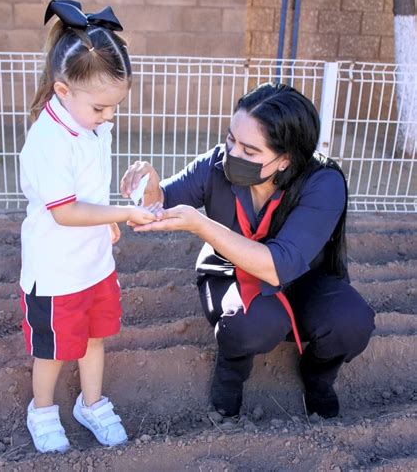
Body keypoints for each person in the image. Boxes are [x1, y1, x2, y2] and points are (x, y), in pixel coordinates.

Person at [121, 82, 376, 420]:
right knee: (252, 322)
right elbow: (161, 202)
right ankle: (230, 371)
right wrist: (150, 186)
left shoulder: (322, 182)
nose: (233, 155)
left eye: (250, 151)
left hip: (301, 278)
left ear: (285, 160)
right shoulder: (215, 167)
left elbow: (280, 265)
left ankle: (318, 375)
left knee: (352, 321)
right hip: (230, 274)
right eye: (231, 139)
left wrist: (202, 225)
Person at [19, 0, 159, 453]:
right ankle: (42, 410)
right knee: (54, 349)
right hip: (56, 272)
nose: (109, 118)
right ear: (62, 90)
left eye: (114, 108)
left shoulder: (92, 125)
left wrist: (109, 217)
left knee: (95, 337)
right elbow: (63, 212)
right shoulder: (48, 139)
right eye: (101, 108)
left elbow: (88, 197)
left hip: (94, 262)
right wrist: (120, 215)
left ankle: (91, 403)